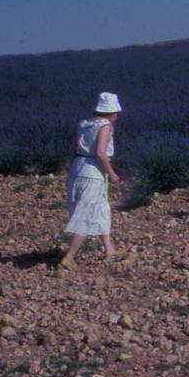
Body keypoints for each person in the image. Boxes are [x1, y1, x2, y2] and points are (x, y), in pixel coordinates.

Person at [58, 92, 125, 273]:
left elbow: (74, 149)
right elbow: (100, 153)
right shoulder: (105, 127)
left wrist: (72, 170)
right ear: (111, 113)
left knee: (102, 207)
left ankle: (109, 249)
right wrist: (113, 174)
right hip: (93, 173)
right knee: (85, 214)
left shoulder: (84, 124)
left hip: (78, 169)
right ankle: (69, 256)